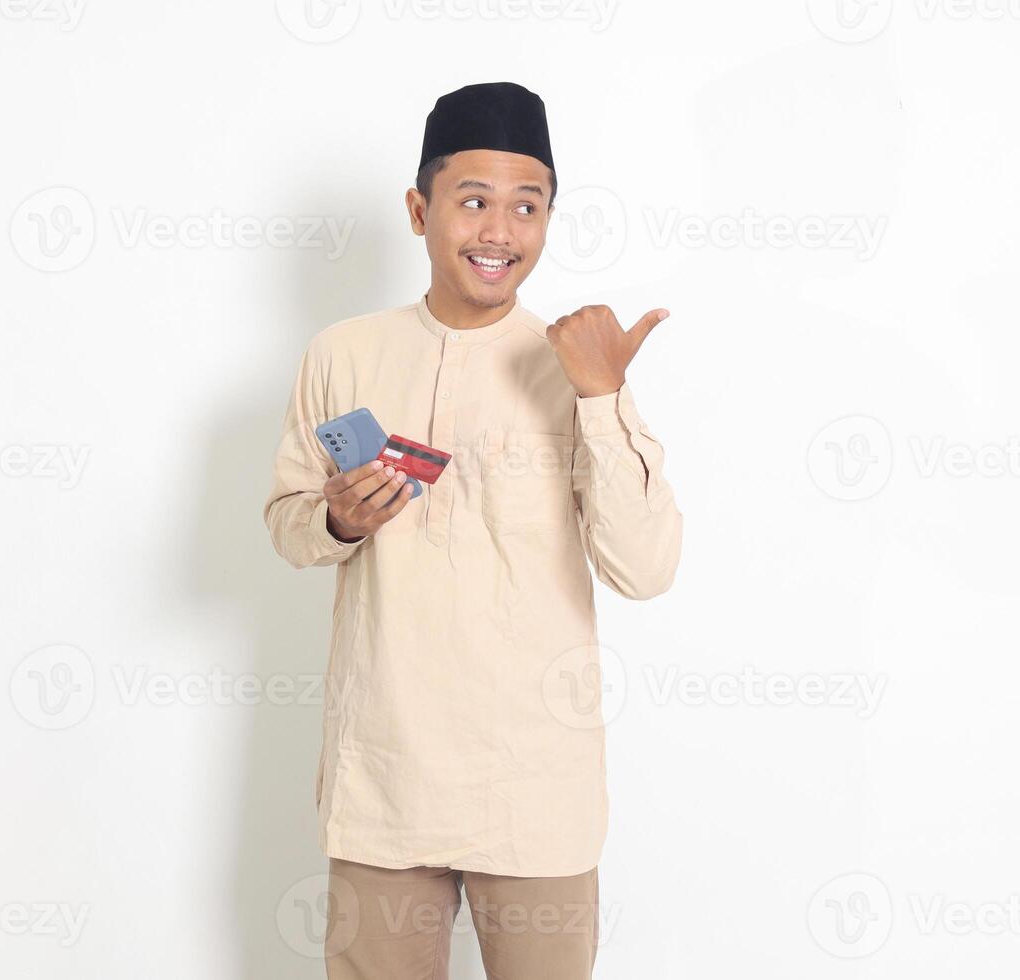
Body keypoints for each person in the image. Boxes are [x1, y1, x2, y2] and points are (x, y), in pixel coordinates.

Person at [262, 80, 683, 980]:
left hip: (534, 786)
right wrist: (337, 518)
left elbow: (644, 569)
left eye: (526, 207)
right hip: (385, 777)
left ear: (548, 221)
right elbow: (287, 527)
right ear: (420, 211)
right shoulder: (344, 353)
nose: (499, 230)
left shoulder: (574, 362)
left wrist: (604, 395)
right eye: (474, 201)